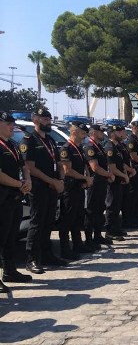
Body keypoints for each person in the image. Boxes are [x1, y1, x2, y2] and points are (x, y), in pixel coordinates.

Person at [21, 108, 66, 274]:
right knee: (37, 222)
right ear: (35, 120)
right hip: (39, 188)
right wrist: (52, 181)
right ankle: (31, 259)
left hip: (52, 188)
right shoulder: (29, 140)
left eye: (49, 118)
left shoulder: (51, 140)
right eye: (44, 119)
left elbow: (59, 163)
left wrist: (60, 180)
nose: (48, 121)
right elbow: (30, 168)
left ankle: (47, 254)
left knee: (49, 222)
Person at [0, 111, 32, 290]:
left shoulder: (12, 144)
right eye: (8, 124)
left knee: (11, 237)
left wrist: (27, 180)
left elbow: (24, 166)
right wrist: (20, 183)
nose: (12, 126)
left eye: (12, 123)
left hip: (14, 197)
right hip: (3, 198)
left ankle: (9, 271)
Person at [58, 122, 93, 260]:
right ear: (74, 133)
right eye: (82, 133)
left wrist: (85, 180)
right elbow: (67, 171)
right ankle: (65, 249)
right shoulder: (66, 149)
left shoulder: (78, 148)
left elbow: (83, 167)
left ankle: (78, 244)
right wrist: (84, 177)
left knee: (77, 218)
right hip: (69, 189)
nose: (85, 136)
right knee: (67, 219)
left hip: (78, 187)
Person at [84, 123, 116, 248]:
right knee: (91, 211)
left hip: (101, 183)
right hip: (94, 183)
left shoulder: (99, 147)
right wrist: (109, 175)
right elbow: (95, 167)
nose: (103, 134)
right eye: (100, 132)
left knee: (99, 210)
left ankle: (97, 236)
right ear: (93, 133)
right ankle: (88, 239)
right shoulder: (90, 147)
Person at [104, 125, 129, 241]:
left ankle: (116, 228)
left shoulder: (117, 147)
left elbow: (121, 164)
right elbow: (112, 168)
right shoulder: (110, 147)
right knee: (111, 206)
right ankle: (109, 231)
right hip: (113, 181)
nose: (121, 133)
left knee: (117, 206)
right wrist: (124, 175)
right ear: (112, 134)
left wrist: (125, 173)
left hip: (118, 180)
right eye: (119, 132)